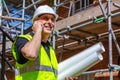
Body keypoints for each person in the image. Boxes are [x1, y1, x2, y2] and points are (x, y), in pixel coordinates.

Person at [12, 5, 78, 80]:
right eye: (45, 18)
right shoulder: (23, 39)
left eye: (52, 20)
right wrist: (38, 31)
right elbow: (31, 54)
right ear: (35, 22)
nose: (50, 22)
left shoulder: (50, 49)